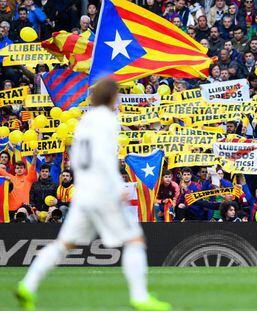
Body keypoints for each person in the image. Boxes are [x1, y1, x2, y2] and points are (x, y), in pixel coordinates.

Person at [15, 79, 171, 311]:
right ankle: (139, 296)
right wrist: (116, 186)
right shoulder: (107, 121)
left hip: (84, 193)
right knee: (134, 240)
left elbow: (78, 160)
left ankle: (27, 285)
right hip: (102, 192)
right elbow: (103, 158)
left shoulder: (84, 122)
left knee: (63, 244)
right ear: (110, 97)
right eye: (116, 95)